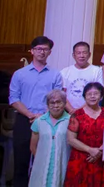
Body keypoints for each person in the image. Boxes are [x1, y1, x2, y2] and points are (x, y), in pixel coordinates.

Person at [9, 36, 63, 187]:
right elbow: (13, 98)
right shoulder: (20, 74)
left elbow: (57, 99)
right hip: (24, 119)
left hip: (47, 120)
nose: (42, 52)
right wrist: (30, 115)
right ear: (32, 51)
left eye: (45, 49)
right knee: (21, 162)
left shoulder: (55, 74)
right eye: (38, 49)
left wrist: (43, 116)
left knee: (45, 162)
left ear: (50, 52)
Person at [65, 82, 104, 187]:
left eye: (96, 93)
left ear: (101, 96)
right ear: (84, 97)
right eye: (89, 94)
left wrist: (100, 151)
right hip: (80, 159)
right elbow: (71, 139)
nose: (92, 96)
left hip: (102, 158)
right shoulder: (77, 114)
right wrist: (90, 150)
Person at [29, 89, 71, 187]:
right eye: (52, 103)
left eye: (59, 102)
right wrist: (42, 160)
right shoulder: (39, 121)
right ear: (47, 105)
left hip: (63, 163)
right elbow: (33, 147)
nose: (55, 106)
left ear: (64, 104)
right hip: (42, 165)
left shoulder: (71, 120)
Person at [61, 41, 104, 113]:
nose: (81, 56)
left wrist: (80, 110)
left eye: (84, 52)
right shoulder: (65, 71)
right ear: (73, 55)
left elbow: (99, 93)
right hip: (68, 112)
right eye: (78, 53)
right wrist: (71, 110)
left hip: (90, 112)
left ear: (89, 54)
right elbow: (62, 94)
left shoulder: (97, 70)